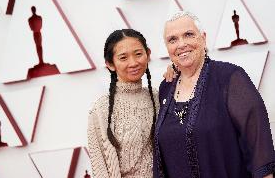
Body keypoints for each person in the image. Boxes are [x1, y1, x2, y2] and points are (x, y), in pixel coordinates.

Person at [153, 10, 275, 178]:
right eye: (172, 39)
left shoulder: (230, 78)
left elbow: (260, 152)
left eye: (188, 35)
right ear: (167, 47)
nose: (181, 44)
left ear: (203, 38)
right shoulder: (166, 88)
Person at [88, 29, 159, 178]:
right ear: (110, 64)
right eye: (123, 57)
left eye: (138, 54)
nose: (133, 63)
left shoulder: (159, 97)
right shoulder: (101, 109)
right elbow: (99, 167)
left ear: (148, 54)